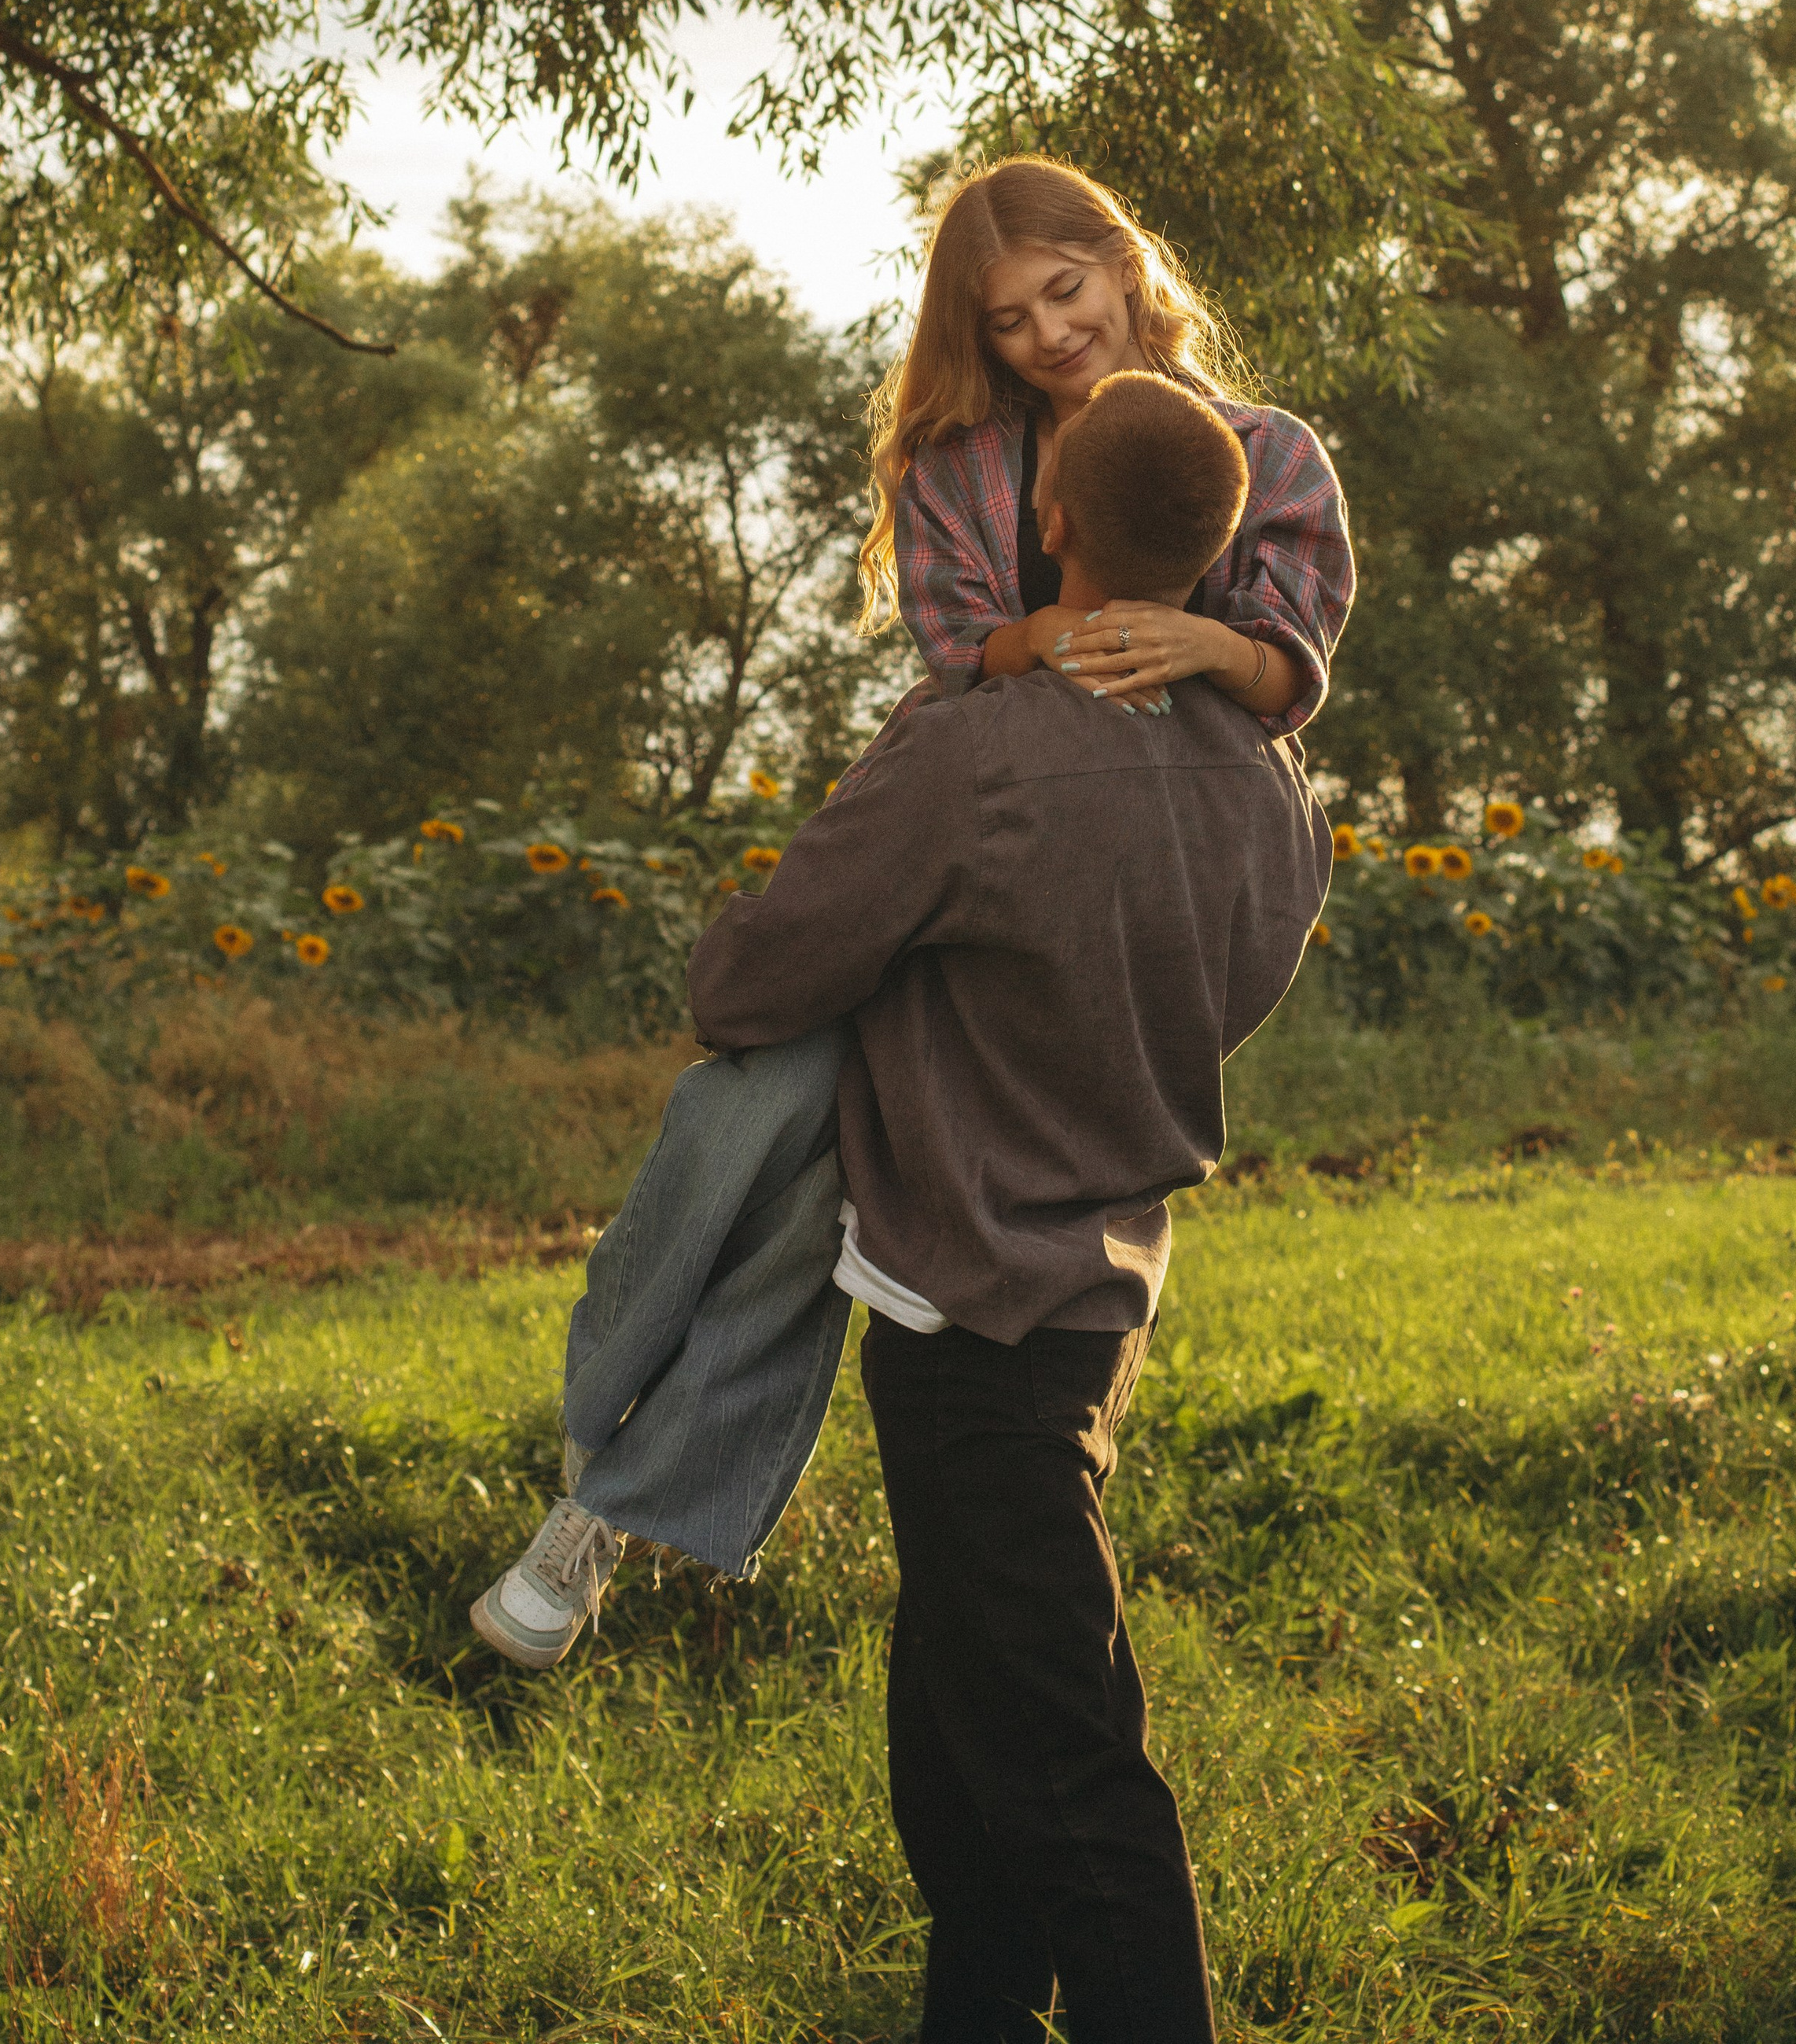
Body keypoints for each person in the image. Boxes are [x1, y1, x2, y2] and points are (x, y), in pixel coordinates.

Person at [469, 159, 1351, 1667]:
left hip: (1135, 869)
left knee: (835, 1143)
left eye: (1065, 293)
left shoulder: (1265, 454)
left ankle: (608, 1490)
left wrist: (1195, 635)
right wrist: (1056, 636)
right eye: (1007, 320)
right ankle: (604, 1493)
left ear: (1124, 265)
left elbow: (1292, 668)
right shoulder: (965, 465)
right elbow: (960, 650)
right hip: (982, 830)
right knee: (771, 1141)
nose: (1048, 334)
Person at [694, 370, 1330, 2041]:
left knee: (1062, 1750)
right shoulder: (1269, 782)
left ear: (1047, 521)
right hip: (1108, 1278)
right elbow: (1228, 989)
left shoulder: (971, 747)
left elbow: (766, 974)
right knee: (961, 1696)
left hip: (966, 1300)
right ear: (1211, 554)